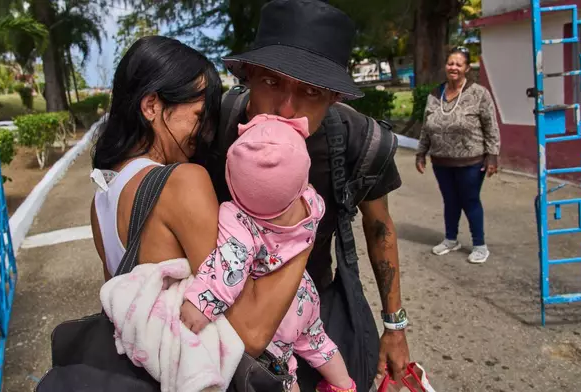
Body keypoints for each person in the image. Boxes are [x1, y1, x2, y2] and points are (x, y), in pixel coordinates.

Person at [194, 0, 411, 388]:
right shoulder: (218, 128)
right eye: (272, 83)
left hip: (315, 313)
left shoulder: (360, 141)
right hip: (226, 316)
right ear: (250, 77)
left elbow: (379, 227)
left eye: (310, 91)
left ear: (333, 98)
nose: (286, 108)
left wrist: (394, 327)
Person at [89, 35, 313, 370]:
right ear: (151, 106)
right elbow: (250, 333)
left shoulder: (100, 200)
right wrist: (303, 226)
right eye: (198, 114)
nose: (206, 131)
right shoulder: (182, 182)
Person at [181, 114, 355, 392]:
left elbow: (231, 264)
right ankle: (344, 386)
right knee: (318, 342)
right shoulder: (310, 201)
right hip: (304, 295)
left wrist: (202, 304)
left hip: (276, 309)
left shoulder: (235, 216)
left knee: (283, 367)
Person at [415, 46, 501, 264]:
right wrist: (421, 153)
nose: (453, 67)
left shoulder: (479, 93)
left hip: (471, 160)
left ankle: (479, 245)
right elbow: (426, 126)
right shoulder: (436, 94)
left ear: (467, 68)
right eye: (450, 63)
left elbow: (491, 125)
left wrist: (492, 155)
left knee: (469, 200)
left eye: (458, 64)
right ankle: (451, 239)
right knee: (450, 200)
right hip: (441, 160)